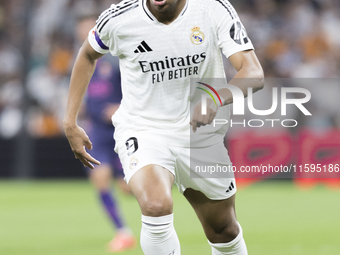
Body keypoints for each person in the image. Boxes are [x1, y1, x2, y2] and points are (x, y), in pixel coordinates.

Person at [64, 0, 264, 254]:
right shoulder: (119, 18)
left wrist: (216, 97)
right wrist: (70, 121)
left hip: (200, 134)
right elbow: (87, 54)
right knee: (155, 205)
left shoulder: (212, 9)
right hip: (144, 128)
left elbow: (253, 72)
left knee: (223, 229)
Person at [74, 10, 136, 253]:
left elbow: (137, 90)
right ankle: (123, 232)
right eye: (83, 29)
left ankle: (157, 219)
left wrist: (122, 108)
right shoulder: (81, 60)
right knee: (99, 179)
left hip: (122, 128)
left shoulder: (117, 59)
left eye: (91, 28)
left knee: (128, 188)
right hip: (97, 130)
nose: (86, 33)